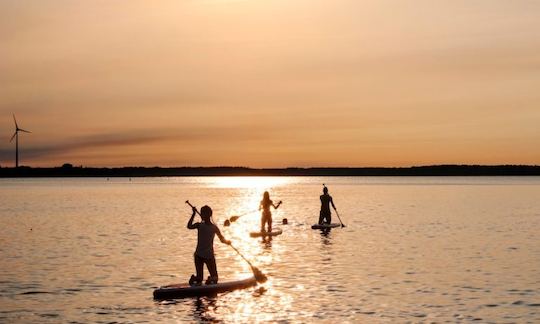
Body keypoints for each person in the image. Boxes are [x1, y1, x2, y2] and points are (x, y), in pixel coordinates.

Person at [187, 205, 231, 286]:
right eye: (202, 213)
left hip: (205, 255)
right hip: (202, 255)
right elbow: (189, 226)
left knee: (207, 279)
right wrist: (193, 214)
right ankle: (204, 279)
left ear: (209, 215)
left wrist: (227, 242)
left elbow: (222, 239)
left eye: (204, 214)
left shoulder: (211, 227)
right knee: (208, 279)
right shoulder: (200, 225)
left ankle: (205, 279)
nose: (202, 215)